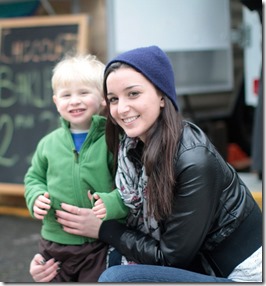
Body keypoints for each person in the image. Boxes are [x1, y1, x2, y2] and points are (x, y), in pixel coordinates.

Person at [29, 46, 262, 283]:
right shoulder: (130, 146)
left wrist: (102, 229)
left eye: (133, 94)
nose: (122, 108)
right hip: (199, 261)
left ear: (162, 95)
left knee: (115, 278)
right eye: (113, 99)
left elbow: (171, 258)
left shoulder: (193, 160)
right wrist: (49, 259)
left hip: (239, 275)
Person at [24, 54, 128, 282]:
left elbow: (127, 185)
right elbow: (34, 178)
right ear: (55, 101)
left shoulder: (112, 140)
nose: (74, 101)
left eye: (83, 93)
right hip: (54, 241)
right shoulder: (48, 143)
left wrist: (111, 203)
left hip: (98, 243)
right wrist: (35, 197)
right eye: (66, 95)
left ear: (102, 98)